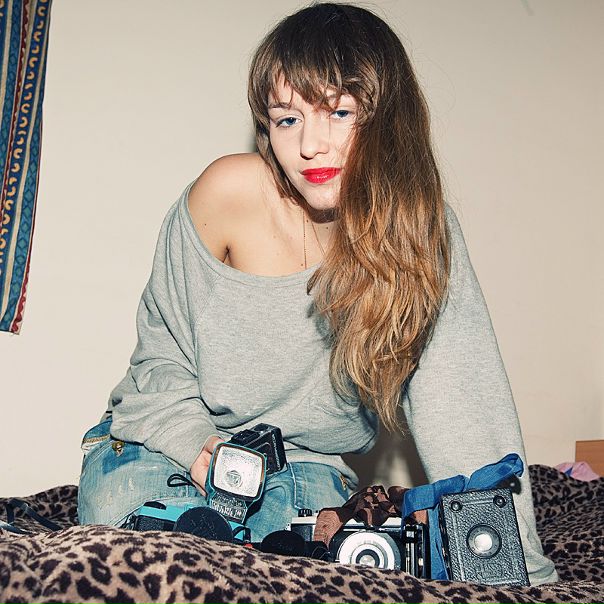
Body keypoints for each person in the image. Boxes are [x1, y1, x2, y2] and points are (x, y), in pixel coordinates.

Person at [77, 2, 557, 585]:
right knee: (157, 563)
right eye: (287, 119)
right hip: (163, 443)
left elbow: (468, 417)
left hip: (306, 465)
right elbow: (161, 359)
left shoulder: (422, 235)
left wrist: (517, 571)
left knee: (306, 572)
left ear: (387, 118)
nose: (310, 144)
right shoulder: (227, 194)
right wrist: (200, 449)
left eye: (340, 112)